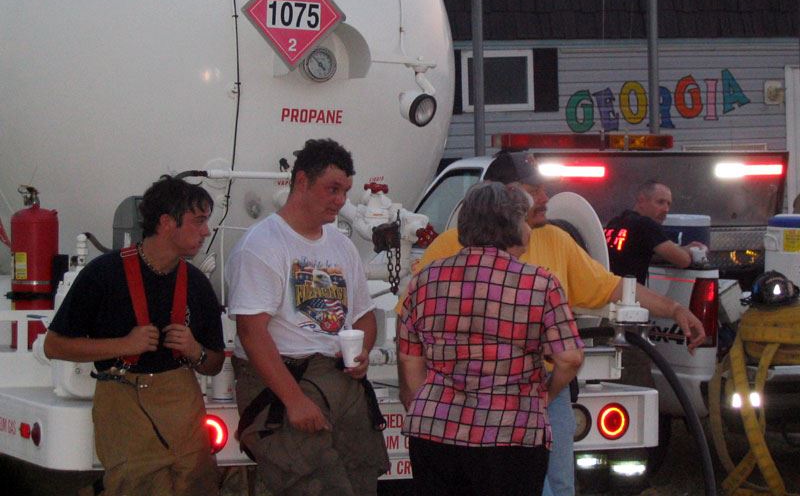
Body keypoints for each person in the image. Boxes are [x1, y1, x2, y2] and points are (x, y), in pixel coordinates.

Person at [397, 150, 706, 496]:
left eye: (544, 189)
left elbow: (612, 286)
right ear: (504, 197)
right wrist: (544, 393)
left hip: (456, 414)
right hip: (521, 405)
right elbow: (570, 358)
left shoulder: (553, 241)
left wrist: (675, 309)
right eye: (533, 190)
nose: (545, 198)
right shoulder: (467, 254)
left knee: (557, 485)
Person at [226, 138, 389, 496]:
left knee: (362, 481)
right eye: (332, 189)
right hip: (287, 380)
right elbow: (252, 334)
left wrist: (362, 353)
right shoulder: (262, 245)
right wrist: (293, 401)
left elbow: (363, 315)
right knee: (316, 486)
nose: (340, 200)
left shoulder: (341, 244)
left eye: (345, 191)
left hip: (341, 382)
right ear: (301, 181)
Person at [398, 182, 584, 496]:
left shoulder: (426, 279)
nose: (528, 228)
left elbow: (409, 357)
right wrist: (546, 396)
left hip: (434, 432)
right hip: (509, 434)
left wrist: (424, 403)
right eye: (524, 220)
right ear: (511, 226)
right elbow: (570, 358)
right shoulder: (539, 284)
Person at [44, 175, 225, 496]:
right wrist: (124, 345)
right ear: (167, 223)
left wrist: (195, 350)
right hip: (123, 401)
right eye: (198, 221)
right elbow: (54, 345)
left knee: (198, 483)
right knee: (137, 486)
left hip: (181, 403)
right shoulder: (104, 273)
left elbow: (213, 364)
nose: (206, 231)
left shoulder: (197, 283)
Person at [605, 179, 707, 284]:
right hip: (628, 293)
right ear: (641, 201)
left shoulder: (615, 223)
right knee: (669, 302)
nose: (666, 209)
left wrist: (682, 249)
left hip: (607, 291)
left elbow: (640, 253)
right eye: (660, 202)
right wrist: (694, 251)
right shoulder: (645, 224)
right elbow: (683, 261)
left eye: (668, 204)